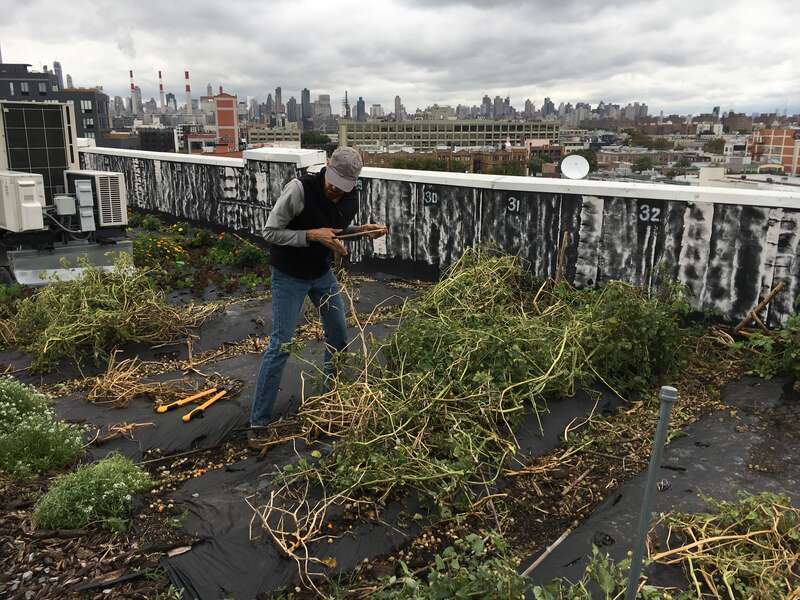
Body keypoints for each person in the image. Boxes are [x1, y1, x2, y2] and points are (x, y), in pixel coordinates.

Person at [249, 146, 386, 442]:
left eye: (344, 185)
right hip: (289, 275)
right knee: (282, 344)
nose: (336, 189)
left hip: (321, 274)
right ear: (326, 166)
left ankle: (329, 404)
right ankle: (258, 423)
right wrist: (312, 235)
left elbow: (335, 230)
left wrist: (362, 231)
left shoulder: (350, 197)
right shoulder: (299, 190)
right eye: (334, 180)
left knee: (338, 337)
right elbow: (270, 232)